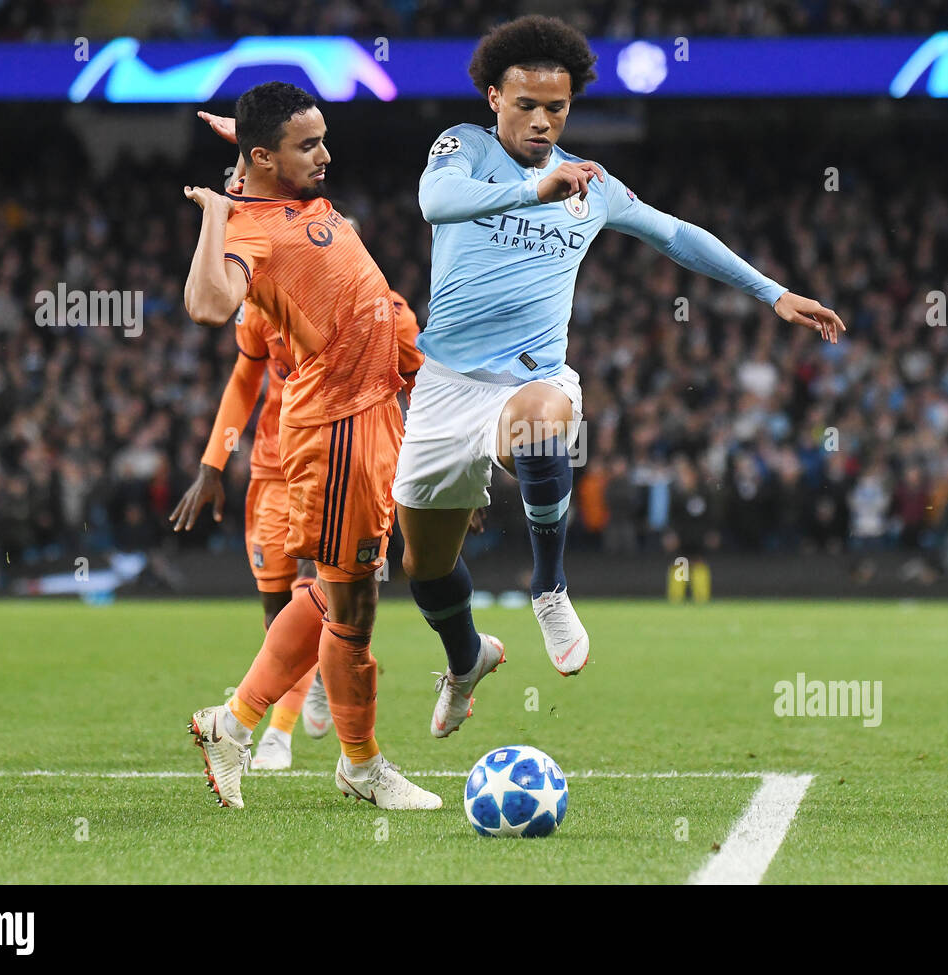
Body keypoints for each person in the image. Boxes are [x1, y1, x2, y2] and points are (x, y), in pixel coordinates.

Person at [395, 15, 845, 737]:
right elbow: (433, 202)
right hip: (446, 384)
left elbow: (674, 234)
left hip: (531, 379)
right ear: (492, 98)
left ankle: (548, 585)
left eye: (558, 108)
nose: (543, 121)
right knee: (423, 565)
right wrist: (532, 193)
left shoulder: (592, 185)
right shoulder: (464, 148)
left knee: (545, 417)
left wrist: (773, 292)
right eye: (527, 105)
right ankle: (467, 658)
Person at [182, 80, 439, 810]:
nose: (325, 154)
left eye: (323, 138)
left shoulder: (283, 190)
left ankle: (231, 723)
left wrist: (244, 143)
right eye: (308, 145)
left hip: (371, 417)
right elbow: (206, 304)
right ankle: (358, 765)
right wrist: (217, 214)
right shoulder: (248, 228)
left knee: (333, 593)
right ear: (265, 158)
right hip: (333, 431)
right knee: (352, 611)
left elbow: (266, 157)